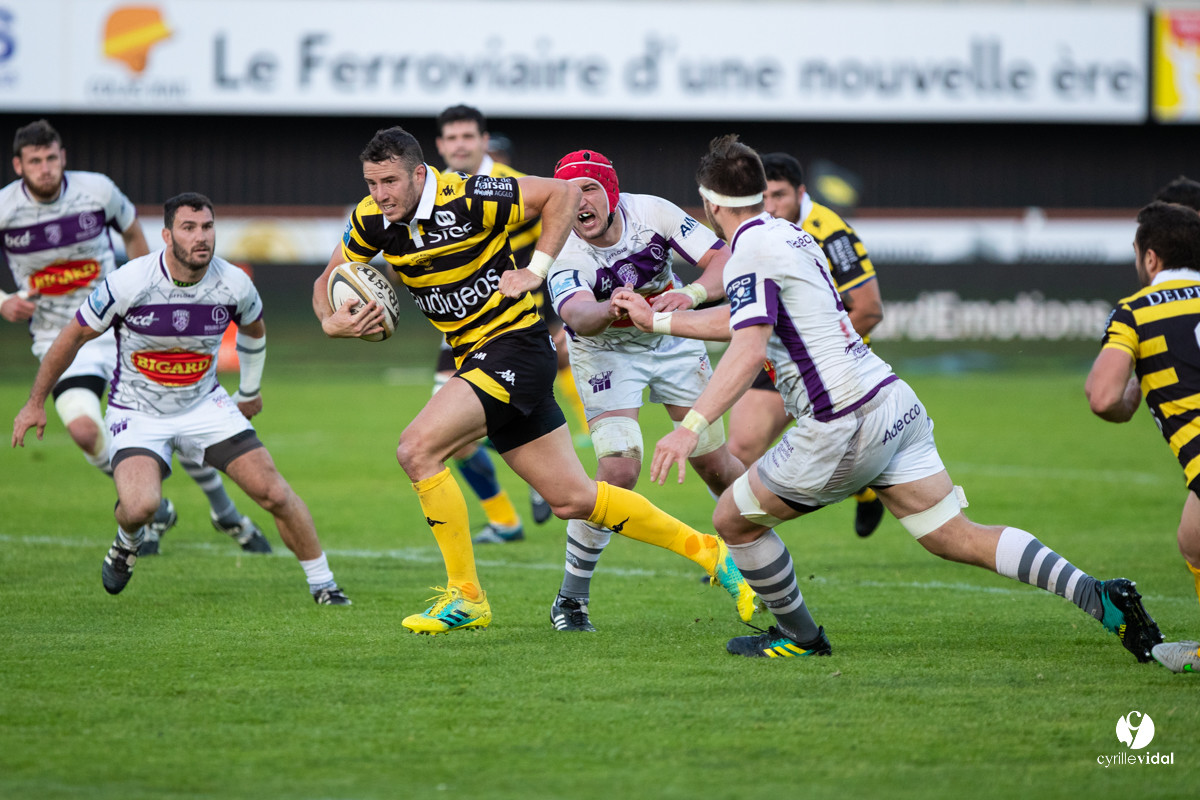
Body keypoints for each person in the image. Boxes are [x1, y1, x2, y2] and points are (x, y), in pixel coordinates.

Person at [611, 134, 1162, 662]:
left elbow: (749, 345)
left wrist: (690, 427)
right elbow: (746, 319)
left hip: (841, 420)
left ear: (709, 203)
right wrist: (661, 320)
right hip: (891, 400)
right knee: (953, 535)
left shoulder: (750, 249)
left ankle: (800, 637)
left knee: (733, 520)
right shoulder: (787, 234)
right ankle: (1098, 595)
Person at [311, 126, 752, 634]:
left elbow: (560, 193)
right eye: (371, 183)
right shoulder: (371, 218)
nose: (380, 194)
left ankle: (466, 597)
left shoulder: (467, 194)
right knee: (575, 499)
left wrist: (535, 270)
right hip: (479, 356)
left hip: (514, 348)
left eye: (389, 181)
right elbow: (329, 277)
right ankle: (710, 551)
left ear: (418, 174)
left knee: (416, 449)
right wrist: (329, 321)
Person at [13, 193, 349, 604]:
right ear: (167, 236)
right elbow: (73, 336)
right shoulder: (129, 282)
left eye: (207, 227)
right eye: (189, 228)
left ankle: (324, 585)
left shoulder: (234, 283)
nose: (201, 237)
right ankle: (127, 540)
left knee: (274, 492)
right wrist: (35, 402)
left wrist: (249, 390)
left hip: (204, 405)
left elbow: (254, 329)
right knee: (141, 507)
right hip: (137, 411)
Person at [0, 119, 268, 556]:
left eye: (51, 158)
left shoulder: (97, 191)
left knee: (180, 416)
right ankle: (154, 506)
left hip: (125, 324)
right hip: (61, 335)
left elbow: (131, 230)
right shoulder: (5, 208)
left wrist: (153, 289)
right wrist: (2, 301)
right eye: (35, 161)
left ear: (63, 157)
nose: (45, 168)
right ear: (18, 166)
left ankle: (226, 513)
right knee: (84, 430)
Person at [542, 149, 749, 631]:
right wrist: (613, 308)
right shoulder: (560, 247)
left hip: (671, 337)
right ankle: (571, 599)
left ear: (611, 191)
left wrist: (692, 294)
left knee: (715, 463)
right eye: (569, 194)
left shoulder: (652, 212)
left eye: (588, 189)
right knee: (618, 471)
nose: (579, 203)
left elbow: (722, 259)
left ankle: (761, 559)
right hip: (606, 352)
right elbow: (578, 317)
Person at [432, 105, 585, 542]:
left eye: (468, 136)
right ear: (440, 145)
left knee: (445, 432)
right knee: (453, 439)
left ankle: (538, 483)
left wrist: (554, 315)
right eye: (451, 137)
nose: (460, 145)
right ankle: (505, 518)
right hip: (459, 332)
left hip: (515, 327)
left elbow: (560, 244)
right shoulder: (434, 192)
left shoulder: (516, 186)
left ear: (484, 141)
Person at [725, 151, 886, 538]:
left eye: (779, 195)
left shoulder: (831, 232)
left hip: (833, 364)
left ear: (801, 193)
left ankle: (865, 487)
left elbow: (869, 310)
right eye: (762, 197)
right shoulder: (756, 232)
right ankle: (749, 545)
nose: (770, 206)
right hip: (776, 352)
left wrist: (813, 352)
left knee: (826, 445)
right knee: (740, 449)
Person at [1086, 200, 1200, 674]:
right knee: (1193, 538)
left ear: (1150, 257)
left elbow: (1103, 397)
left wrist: (1134, 391)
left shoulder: (1136, 312)